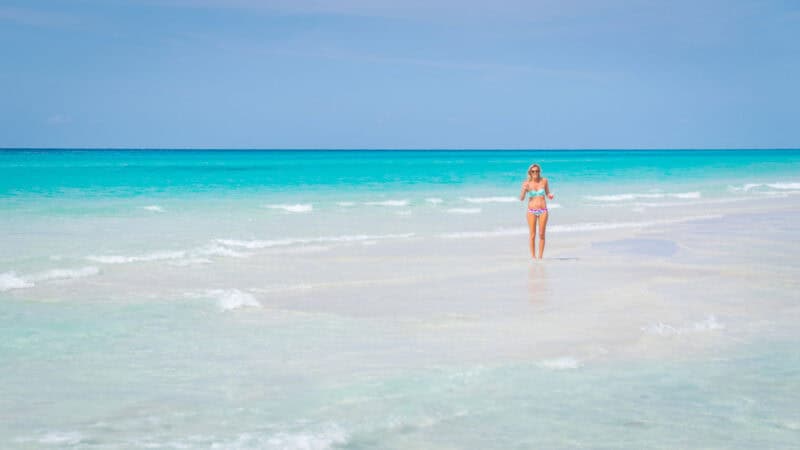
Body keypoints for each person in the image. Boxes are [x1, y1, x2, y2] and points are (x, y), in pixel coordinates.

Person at [519, 164, 554, 259]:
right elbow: (521, 198)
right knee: (532, 235)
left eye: (537, 171)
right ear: (530, 172)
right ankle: (533, 256)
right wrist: (523, 190)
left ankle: (540, 257)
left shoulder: (544, 181)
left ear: (539, 172)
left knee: (542, 234)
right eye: (533, 171)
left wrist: (550, 195)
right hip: (531, 211)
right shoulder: (526, 183)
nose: (535, 173)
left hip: (543, 210)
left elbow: (547, 193)